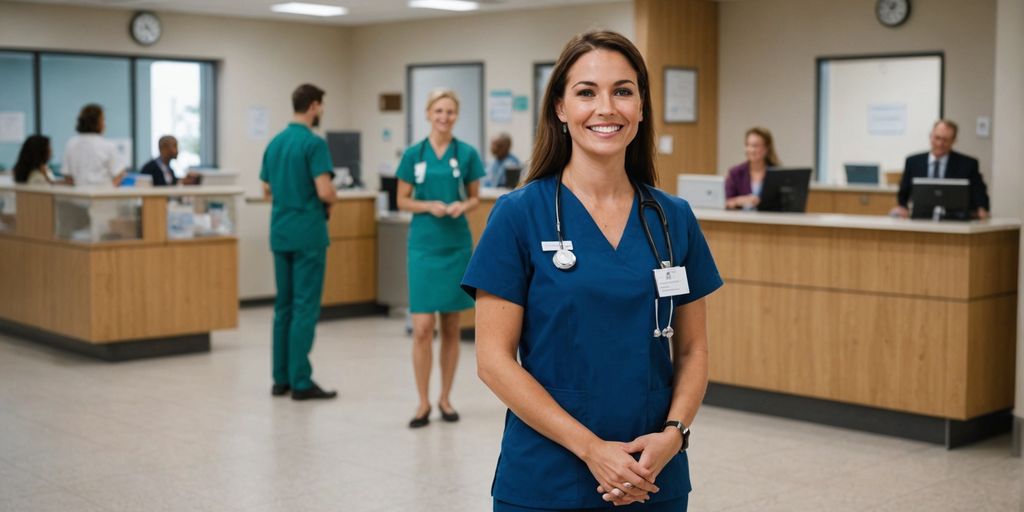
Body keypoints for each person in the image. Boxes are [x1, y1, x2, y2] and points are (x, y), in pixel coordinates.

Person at [462, 30, 722, 511]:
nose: (607, 108)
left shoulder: (673, 218)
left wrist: (675, 434)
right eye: (586, 92)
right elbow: (493, 361)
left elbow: (692, 348)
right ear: (560, 108)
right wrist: (591, 449)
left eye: (623, 91)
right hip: (547, 475)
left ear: (641, 108)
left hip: (653, 471)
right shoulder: (519, 214)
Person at [395, 88, 485, 428]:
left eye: (450, 112)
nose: (444, 117)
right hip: (423, 245)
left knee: (450, 325)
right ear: (428, 114)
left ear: (456, 116)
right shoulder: (413, 154)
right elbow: (402, 200)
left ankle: (445, 398)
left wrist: (463, 205)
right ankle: (422, 402)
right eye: (439, 111)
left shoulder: (466, 154)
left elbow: (476, 197)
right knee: (422, 327)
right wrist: (427, 206)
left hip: (455, 244)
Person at [259, 83, 338, 401]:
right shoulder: (313, 144)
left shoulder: (275, 143)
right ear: (315, 106)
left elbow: (267, 190)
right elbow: (324, 190)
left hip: (280, 232)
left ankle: (280, 379)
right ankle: (301, 381)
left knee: (284, 307)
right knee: (305, 307)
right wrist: (333, 199)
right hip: (307, 234)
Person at [892, 119, 990, 219]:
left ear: (954, 140)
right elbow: (903, 192)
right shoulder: (913, 162)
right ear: (930, 136)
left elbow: (980, 193)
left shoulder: (968, 164)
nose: (940, 144)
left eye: (945, 140)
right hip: (920, 219)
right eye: (937, 138)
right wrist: (902, 207)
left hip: (955, 220)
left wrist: (982, 208)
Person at [62, 104, 125, 186]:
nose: (104, 124)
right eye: (103, 120)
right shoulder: (107, 145)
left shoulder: (71, 143)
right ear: (97, 122)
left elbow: (67, 176)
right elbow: (119, 173)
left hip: (78, 195)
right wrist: (110, 189)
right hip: (103, 195)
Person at [724, 126, 779, 210]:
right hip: (741, 221)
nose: (751, 150)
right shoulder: (735, 173)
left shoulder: (777, 173)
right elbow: (726, 202)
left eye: (755, 146)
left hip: (769, 221)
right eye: (748, 145)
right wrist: (739, 200)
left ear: (766, 148)